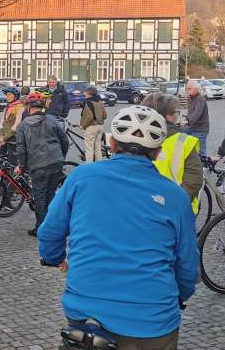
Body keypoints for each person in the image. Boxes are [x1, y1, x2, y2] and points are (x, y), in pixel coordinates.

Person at [39, 105, 198, 349]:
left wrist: (54, 258)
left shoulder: (81, 177)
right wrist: (180, 296)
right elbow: (187, 264)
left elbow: (50, 231)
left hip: (86, 309)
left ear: (111, 143)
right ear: (157, 152)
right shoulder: (175, 197)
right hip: (152, 319)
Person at [16, 93, 69, 236]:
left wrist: (21, 166)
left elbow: (21, 149)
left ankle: (41, 228)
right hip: (55, 162)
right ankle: (52, 225)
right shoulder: (52, 121)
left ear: (29, 109)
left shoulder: (23, 125)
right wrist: (60, 157)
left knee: (39, 197)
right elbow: (64, 141)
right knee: (51, 195)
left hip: (38, 165)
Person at [142, 93, 204, 213]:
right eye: (176, 112)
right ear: (167, 116)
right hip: (175, 210)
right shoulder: (183, 141)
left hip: (142, 209)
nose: (177, 116)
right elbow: (193, 182)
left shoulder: (134, 138)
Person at [79, 87, 107, 162]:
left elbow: (89, 117)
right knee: (98, 148)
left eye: (85, 92)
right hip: (100, 127)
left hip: (91, 127)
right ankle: (99, 165)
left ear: (89, 93)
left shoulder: (88, 103)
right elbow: (105, 115)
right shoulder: (100, 102)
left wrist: (83, 126)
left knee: (89, 148)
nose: (84, 93)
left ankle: (89, 167)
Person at [183, 81, 209, 155]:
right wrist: (186, 120)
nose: (187, 90)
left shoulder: (200, 99)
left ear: (196, 89)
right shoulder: (191, 99)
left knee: (201, 152)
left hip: (200, 129)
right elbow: (191, 114)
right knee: (179, 134)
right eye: (187, 88)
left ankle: (203, 166)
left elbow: (197, 113)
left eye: (189, 88)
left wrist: (188, 121)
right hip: (191, 127)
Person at [0, 87, 24, 165]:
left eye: (10, 94)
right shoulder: (7, 107)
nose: (7, 96)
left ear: (15, 96)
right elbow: (2, 122)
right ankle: (4, 177)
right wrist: (1, 135)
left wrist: (4, 137)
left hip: (13, 138)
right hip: (4, 137)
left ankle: (14, 177)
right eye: (7, 95)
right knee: (2, 159)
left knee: (12, 161)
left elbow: (16, 125)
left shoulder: (20, 107)